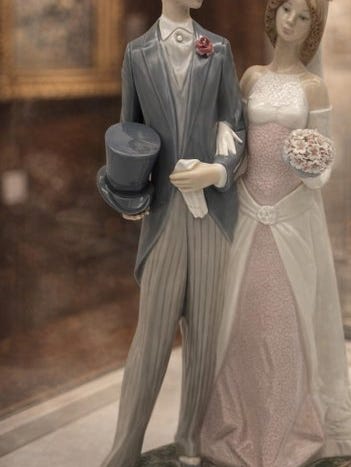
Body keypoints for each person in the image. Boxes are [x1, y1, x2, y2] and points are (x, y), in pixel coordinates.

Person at [199, 1, 351, 466]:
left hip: (292, 221)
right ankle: (237, 423)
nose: (291, 21)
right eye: (285, 9)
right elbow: (234, 146)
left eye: (303, 16)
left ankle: (285, 432)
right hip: (247, 214)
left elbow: (325, 163)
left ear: (313, 27)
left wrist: (308, 164)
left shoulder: (314, 87)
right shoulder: (251, 77)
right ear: (273, 14)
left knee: (286, 326)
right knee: (243, 321)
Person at [99, 0, 245, 466]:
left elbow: (235, 124)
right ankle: (123, 450)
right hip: (164, 215)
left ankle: (190, 441)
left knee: (205, 337)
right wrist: (128, 192)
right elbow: (129, 132)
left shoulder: (218, 50)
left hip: (213, 217)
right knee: (151, 339)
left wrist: (217, 171)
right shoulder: (137, 54)